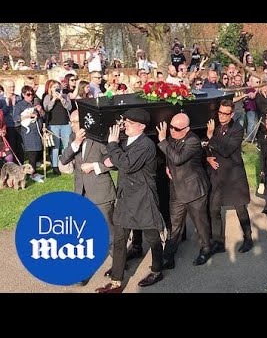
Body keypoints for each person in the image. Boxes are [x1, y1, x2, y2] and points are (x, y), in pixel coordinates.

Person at [96, 108, 165, 293]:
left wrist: (112, 146)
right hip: (126, 198)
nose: (125, 124)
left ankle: (158, 269)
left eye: (130, 123)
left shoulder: (146, 145)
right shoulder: (126, 141)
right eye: (125, 121)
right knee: (120, 240)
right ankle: (117, 281)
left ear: (141, 127)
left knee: (152, 237)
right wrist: (111, 155)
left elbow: (126, 163)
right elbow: (116, 160)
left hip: (143, 198)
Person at [60, 110, 116, 269]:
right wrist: (76, 142)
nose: (72, 125)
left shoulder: (98, 138)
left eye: (76, 122)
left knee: (109, 231)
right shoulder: (73, 138)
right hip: (81, 193)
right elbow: (64, 159)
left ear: (84, 122)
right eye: (71, 122)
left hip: (101, 192)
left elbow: (114, 162)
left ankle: (118, 265)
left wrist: (94, 166)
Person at [157, 113, 212, 268]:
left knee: (200, 223)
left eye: (176, 128)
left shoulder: (193, 141)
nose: (172, 131)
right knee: (174, 225)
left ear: (187, 129)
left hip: (194, 190)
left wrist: (162, 141)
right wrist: (168, 167)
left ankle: (206, 249)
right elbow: (170, 157)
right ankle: (168, 256)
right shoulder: (171, 138)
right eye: (171, 127)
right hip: (177, 189)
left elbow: (178, 158)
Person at [204, 100, 253, 254]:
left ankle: (248, 238)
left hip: (233, 175)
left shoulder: (237, 129)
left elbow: (226, 150)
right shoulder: (217, 128)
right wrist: (208, 157)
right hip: (218, 175)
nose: (221, 116)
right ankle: (218, 242)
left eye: (225, 114)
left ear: (231, 114)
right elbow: (211, 149)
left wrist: (211, 137)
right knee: (214, 209)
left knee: (240, 208)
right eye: (219, 112)